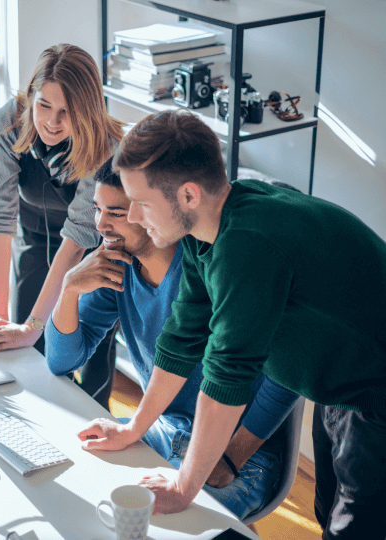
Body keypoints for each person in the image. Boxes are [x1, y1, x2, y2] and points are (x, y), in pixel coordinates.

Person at [82, 109, 386, 539]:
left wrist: (185, 487)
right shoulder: (206, 233)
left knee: (355, 530)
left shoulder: (247, 246)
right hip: (339, 387)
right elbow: (181, 340)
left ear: (188, 195)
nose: (132, 217)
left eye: (141, 203)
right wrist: (135, 428)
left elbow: (227, 377)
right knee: (328, 514)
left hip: (375, 394)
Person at [47, 158, 299, 520]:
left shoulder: (214, 269)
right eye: (99, 210)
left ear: (152, 210)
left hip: (237, 448)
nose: (101, 225)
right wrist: (70, 288)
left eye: (116, 212)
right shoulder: (116, 266)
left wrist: (230, 457)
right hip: (163, 429)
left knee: (167, 526)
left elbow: (288, 371)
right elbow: (62, 360)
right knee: (78, 486)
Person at [0, 44, 125, 400]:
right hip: (35, 236)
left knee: (81, 342)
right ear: (31, 96)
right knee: (22, 342)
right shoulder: (7, 124)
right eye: (44, 106)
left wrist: (35, 326)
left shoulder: (107, 147)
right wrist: (0, 317)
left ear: (86, 111)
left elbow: (77, 241)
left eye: (66, 112)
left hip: (92, 249)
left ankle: (93, 413)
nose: (52, 123)